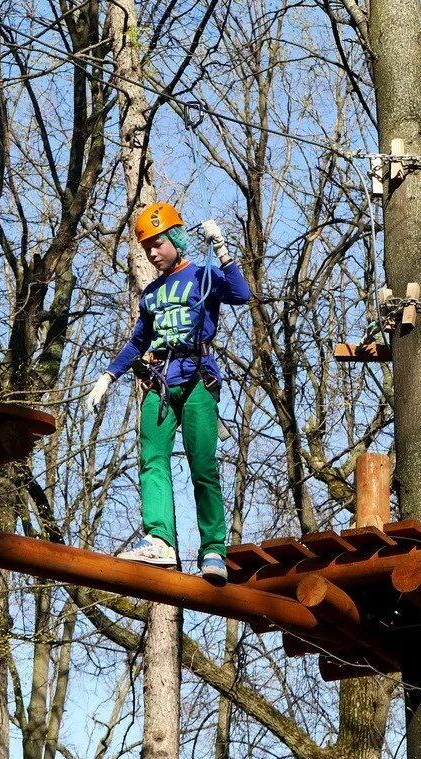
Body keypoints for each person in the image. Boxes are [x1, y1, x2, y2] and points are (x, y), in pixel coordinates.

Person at [85, 202, 250, 584]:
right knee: (151, 459)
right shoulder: (152, 294)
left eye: (157, 244)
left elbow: (241, 294)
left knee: (203, 467)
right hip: (159, 381)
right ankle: (160, 540)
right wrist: (108, 376)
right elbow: (137, 341)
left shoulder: (202, 276)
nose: (153, 253)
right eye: (147, 249)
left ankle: (213, 549)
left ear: (175, 238)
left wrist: (222, 250)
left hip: (197, 379)